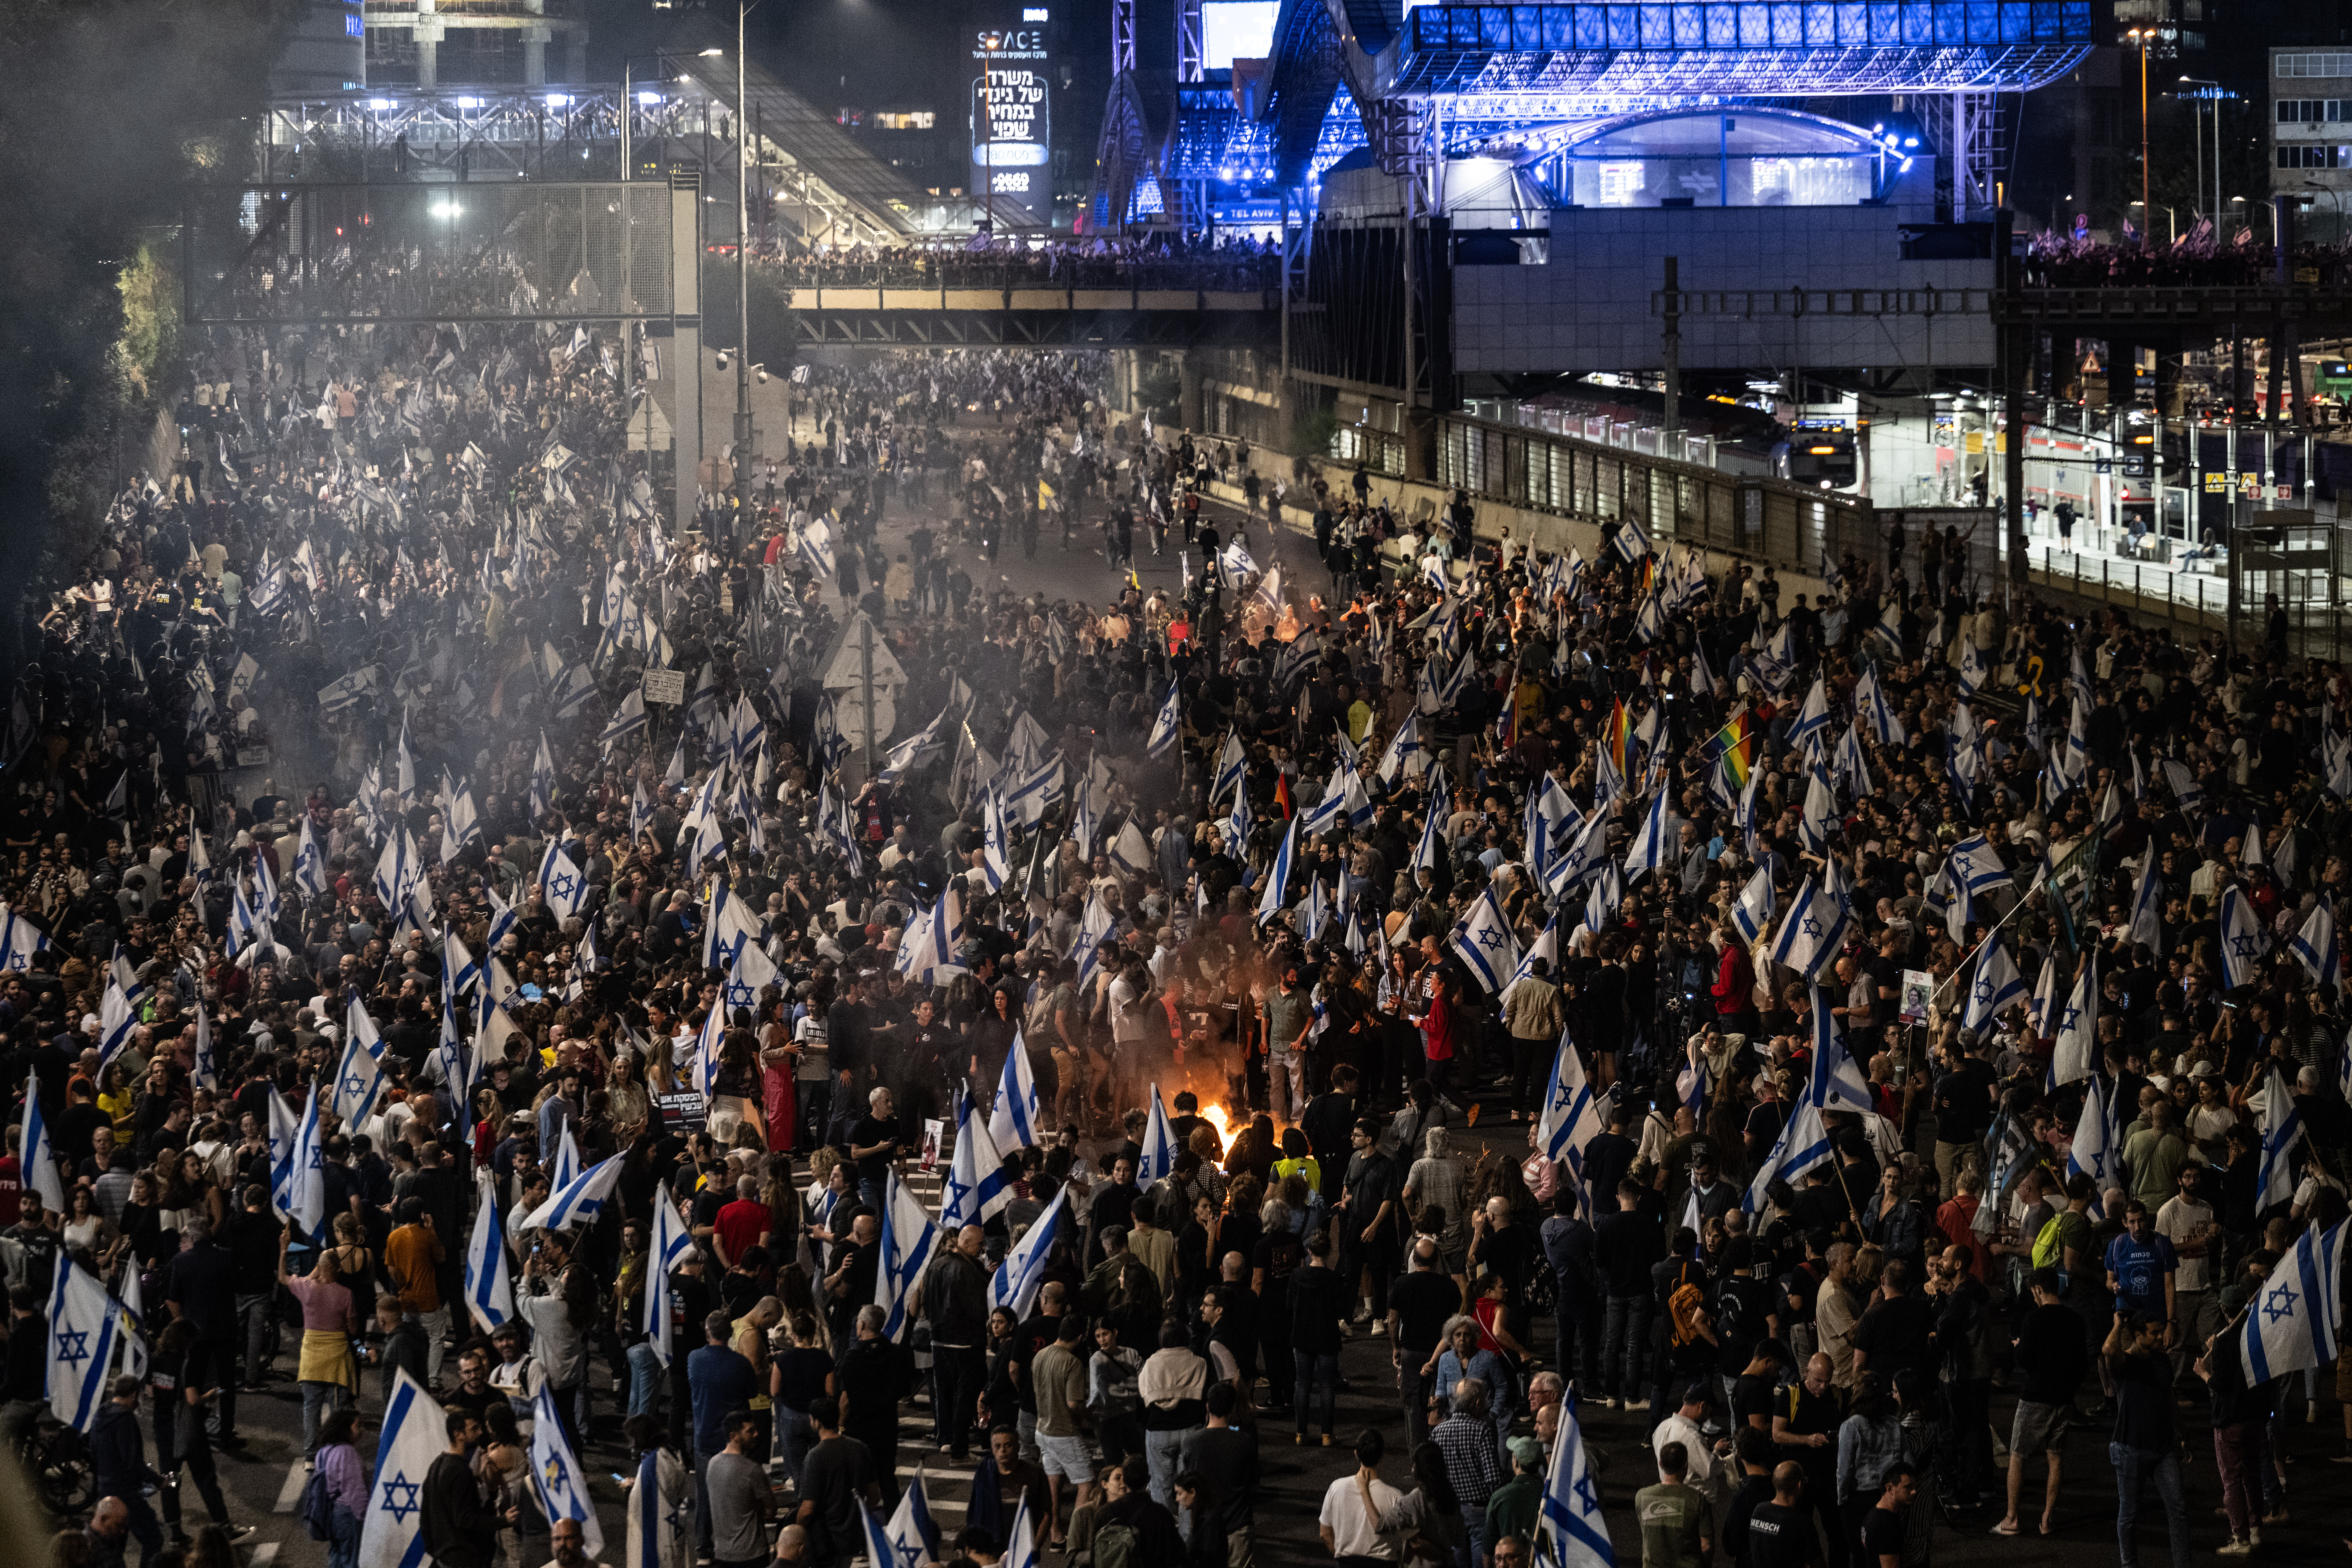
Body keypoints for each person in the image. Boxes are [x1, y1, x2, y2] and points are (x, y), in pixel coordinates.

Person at [1994, 1267, 2084, 1538]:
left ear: (2037, 1290)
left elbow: (2024, 1360)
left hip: (2035, 1396)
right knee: (2055, 1458)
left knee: (2018, 1456)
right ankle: (2047, 1518)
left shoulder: (2034, 1319)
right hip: (2064, 1399)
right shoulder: (2075, 1319)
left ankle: (2012, 1518)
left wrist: (2020, 1345)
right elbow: (2084, 1362)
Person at [2105, 1311, 2190, 1568]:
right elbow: (2109, 1349)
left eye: (2160, 1331)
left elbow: (2170, 1399)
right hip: (2130, 1449)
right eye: (2153, 1333)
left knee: (2178, 1508)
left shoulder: (2162, 1361)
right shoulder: (2125, 1363)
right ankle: (2129, 1565)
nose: (2160, 1337)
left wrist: (2183, 1434)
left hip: (2163, 1449)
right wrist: (2119, 1324)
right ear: (2138, 1335)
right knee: (2129, 1515)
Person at [794, 1396, 885, 1568]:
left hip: (826, 1539)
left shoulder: (815, 1457)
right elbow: (875, 1495)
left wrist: (798, 1528)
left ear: (817, 1422)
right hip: (853, 1536)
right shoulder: (860, 1448)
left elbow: (808, 1510)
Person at [705, 1408, 774, 1568]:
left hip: (723, 1555)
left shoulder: (712, 1464)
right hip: (752, 1555)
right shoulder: (752, 1469)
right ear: (734, 1437)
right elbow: (771, 1510)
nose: (756, 1434)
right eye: (750, 1431)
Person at [1636, 1440, 1714, 1568]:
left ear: (1661, 1464)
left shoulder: (1642, 1496)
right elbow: (1707, 1546)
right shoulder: (1697, 1499)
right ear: (1685, 1465)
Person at [315, 1407, 368, 1568]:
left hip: (331, 1513)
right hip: (348, 1515)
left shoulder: (324, 1452)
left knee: (337, 1557)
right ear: (346, 1429)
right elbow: (355, 1491)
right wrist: (366, 1518)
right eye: (357, 1426)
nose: (362, 1430)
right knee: (351, 1560)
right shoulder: (347, 1452)